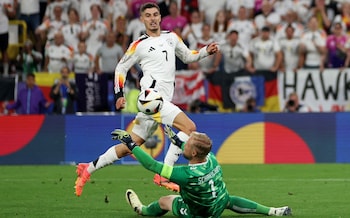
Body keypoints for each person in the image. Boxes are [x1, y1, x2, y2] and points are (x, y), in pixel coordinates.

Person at [74, 2, 219, 197]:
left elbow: (187, 56)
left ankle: (88, 168)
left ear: (160, 17)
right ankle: (164, 175)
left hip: (158, 102)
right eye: (148, 15)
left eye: (155, 14)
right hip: (151, 98)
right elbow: (121, 68)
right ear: (142, 19)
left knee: (129, 146)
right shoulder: (139, 45)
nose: (152, 18)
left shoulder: (171, 38)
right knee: (190, 128)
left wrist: (204, 52)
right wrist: (119, 95)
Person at [111, 126, 292, 217]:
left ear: (194, 152)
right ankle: (272, 211)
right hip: (219, 204)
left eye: (187, 144)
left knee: (165, 201)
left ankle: (142, 210)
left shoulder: (185, 175)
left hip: (201, 213)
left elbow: (152, 165)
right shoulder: (211, 158)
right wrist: (177, 140)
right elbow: (191, 149)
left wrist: (130, 143)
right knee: (227, 199)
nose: (184, 146)